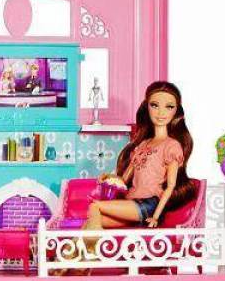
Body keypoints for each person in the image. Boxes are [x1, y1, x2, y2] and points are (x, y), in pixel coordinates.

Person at [84, 80, 196, 230]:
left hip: (149, 205)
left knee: (95, 206)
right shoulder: (143, 144)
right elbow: (124, 180)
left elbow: (170, 187)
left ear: (176, 111)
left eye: (169, 107)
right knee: (92, 220)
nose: (161, 113)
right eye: (154, 105)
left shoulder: (172, 146)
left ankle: (89, 245)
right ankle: (78, 246)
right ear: (147, 107)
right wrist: (109, 178)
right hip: (132, 203)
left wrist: (156, 217)